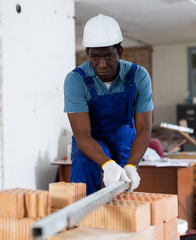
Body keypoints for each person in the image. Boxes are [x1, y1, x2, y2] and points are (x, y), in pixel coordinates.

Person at [64, 14, 153, 195]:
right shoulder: (75, 80)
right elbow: (81, 134)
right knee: (85, 204)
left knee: (123, 205)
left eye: (109, 56)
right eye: (95, 57)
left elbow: (144, 128)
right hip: (88, 150)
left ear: (120, 51)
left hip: (125, 149)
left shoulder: (138, 76)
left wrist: (131, 165)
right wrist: (107, 164)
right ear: (87, 53)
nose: (102, 64)